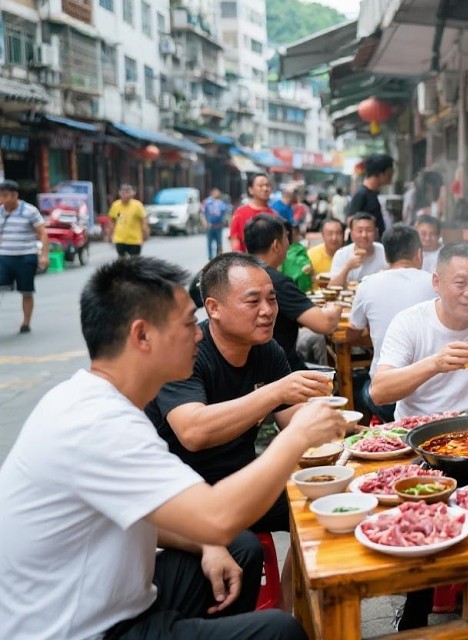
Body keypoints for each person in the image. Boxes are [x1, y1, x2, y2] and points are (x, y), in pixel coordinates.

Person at [0, 256, 342, 640]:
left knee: (240, 549)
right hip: (82, 629)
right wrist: (296, 437)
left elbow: (143, 515)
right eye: (185, 324)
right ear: (142, 336)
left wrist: (206, 543)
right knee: (279, 631)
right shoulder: (98, 423)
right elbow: (215, 515)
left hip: (121, 595)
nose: (197, 334)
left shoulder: (102, 402)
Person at [146, 252, 336, 535]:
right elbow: (194, 431)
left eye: (271, 299)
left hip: (245, 481)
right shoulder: (186, 354)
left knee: (325, 507)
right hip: (187, 498)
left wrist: (330, 416)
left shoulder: (267, 350)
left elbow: (289, 418)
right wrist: (275, 391)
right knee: (245, 551)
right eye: (252, 301)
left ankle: (296, 581)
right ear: (213, 308)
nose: (268, 311)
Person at [371, 242, 468, 421]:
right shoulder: (409, 322)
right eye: (460, 283)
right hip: (418, 431)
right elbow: (379, 393)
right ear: (437, 282)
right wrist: (435, 364)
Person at [348, 223, 437, 423]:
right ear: (419, 253)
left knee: (362, 386)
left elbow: (353, 332)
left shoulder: (368, 284)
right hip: (432, 391)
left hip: (386, 397)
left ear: (386, 257)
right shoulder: (435, 283)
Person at [244, 214, 341, 371]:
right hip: (280, 370)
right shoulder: (276, 282)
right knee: (328, 378)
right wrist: (334, 308)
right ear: (276, 245)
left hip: (244, 369)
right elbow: (325, 324)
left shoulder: (236, 275)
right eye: (286, 238)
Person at [0, 179, 49, 333]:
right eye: (0, 196)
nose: (2, 199)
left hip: (26, 256)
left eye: (5, 195)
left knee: (26, 290)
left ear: (15, 196)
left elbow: (42, 233)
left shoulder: (30, 211)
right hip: (4, 257)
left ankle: (26, 323)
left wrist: (44, 255)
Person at [330, 212, 389, 285]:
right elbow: (332, 286)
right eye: (359, 231)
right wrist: (347, 267)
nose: (364, 235)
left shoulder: (385, 251)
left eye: (369, 230)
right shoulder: (341, 254)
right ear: (351, 234)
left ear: (376, 232)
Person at [349, 154, 394, 238]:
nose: (392, 175)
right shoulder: (361, 195)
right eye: (390, 171)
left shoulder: (374, 194)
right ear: (381, 173)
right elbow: (351, 221)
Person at [228, 173, 274, 253]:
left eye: (267, 185)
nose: (265, 189)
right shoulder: (240, 213)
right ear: (251, 190)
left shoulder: (274, 215)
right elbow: (235, 239)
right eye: (260, 186)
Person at [107, 183, 149, 257]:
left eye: (128, 192)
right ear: (119, 193)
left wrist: (145, 234)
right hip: (120, 239)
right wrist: (110, 234)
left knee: (134, 262)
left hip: (134, 240)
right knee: (122, 261)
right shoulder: (115, 205)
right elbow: (111, 221)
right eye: (123, 192)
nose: (125, 195)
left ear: (133, 193)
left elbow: (143, 221)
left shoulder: (137, 205)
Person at [201, 187, 230, 260]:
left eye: (218, 192)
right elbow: (202, 213)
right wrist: (204, 222)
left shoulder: (221, 203)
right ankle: (210, 257)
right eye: (215, 192)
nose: (217, 193)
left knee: (219, 243)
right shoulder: (207, 202)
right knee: (209, 243)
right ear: (212, 192)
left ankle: (218, 257)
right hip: (210, 226)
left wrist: (226, 222)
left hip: (219, 226)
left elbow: (226, 213)